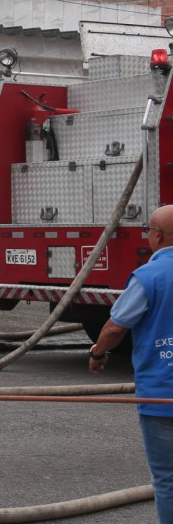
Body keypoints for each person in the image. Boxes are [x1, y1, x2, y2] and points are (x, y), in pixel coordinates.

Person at [89, 205, 173, 523]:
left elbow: (115, 327)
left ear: (157, 235)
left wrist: (98, 354)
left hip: (160, 397)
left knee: (167, 480)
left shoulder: (149, 276)